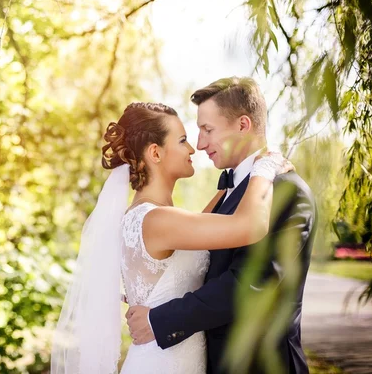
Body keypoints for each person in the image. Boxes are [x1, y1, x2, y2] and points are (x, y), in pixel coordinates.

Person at [51, 96, 295, 373]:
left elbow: (206, 223)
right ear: (155, 154)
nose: (194, 148)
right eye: (182, 140)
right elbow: (251, 226)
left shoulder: (156, 216)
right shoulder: (157, 220)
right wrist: (265, 167)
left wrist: (236, 175)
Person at [126, 77, 317, 374]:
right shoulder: (232, 193)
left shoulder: (283, 191)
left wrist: (159, 319)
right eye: (191, 136)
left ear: (243, 125)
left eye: (207, 130)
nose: (199, 145)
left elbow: (247, 285)